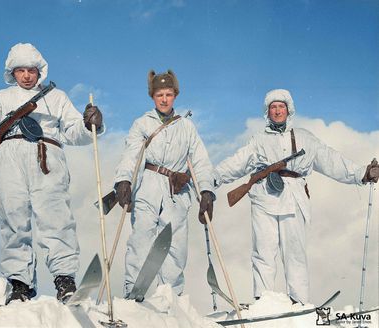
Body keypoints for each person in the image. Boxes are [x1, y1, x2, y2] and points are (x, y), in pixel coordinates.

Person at [0, 43, 104, 304]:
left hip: (46, 155)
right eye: (20, 70)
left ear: (40, 70)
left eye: (31, 70)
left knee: (55, 217)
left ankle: (64, 280)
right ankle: (20, 283)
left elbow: (73, 131)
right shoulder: (2, 98)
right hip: (7, 159)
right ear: (11, 73)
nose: (26, 76)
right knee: (13, 220)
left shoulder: (56, 97)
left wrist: (90, 123)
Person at [213, 89, 379, 304]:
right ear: (268, 111)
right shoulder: (258, 140)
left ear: (288, 110)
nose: (277, 110)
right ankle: (263, 302)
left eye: (281, 106)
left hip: (294, 199)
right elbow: (236, 163)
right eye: (273, 107)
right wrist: (211, 179)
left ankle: (299, 302)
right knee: (263, 252)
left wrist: (362, 173)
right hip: (264, 199)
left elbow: (331, 160)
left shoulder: (304, 138)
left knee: (295, 254)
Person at [114, 69, 215, 298]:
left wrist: (207, 190)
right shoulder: (142, 124)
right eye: (159, 94)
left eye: (168, 94)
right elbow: (131, 154)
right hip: (147, 185)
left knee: (175, 245)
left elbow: (200, 160)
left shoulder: (187, 127)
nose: (164, 99)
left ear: (175, 95)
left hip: (177, 191)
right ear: (152, 96)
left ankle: (171, 296)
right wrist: (123, 180)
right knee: (141, 238)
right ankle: (133, 293)